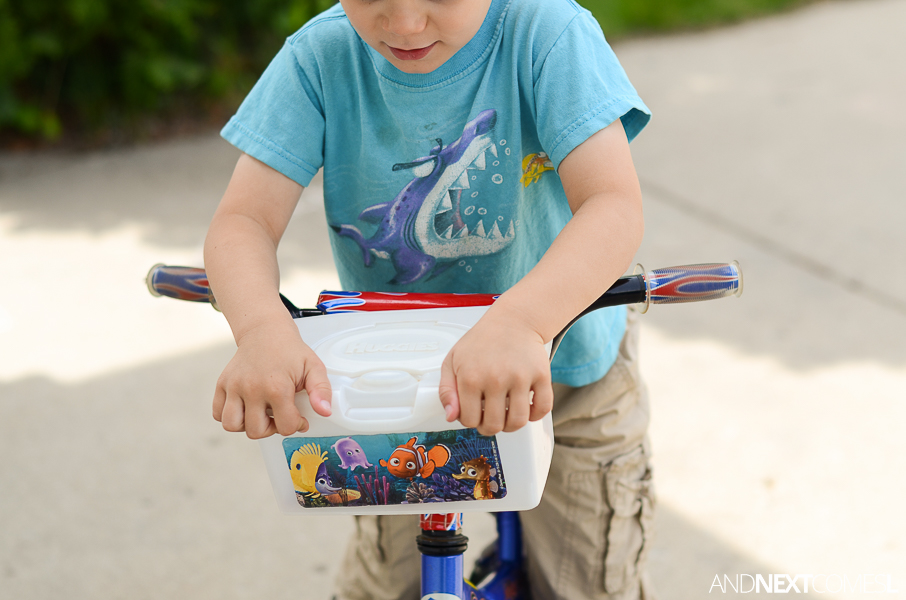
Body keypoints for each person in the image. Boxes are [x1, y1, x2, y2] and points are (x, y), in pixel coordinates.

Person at [203, 0, 655, 598]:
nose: (406, 24)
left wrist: (523, 322)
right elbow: (244, 219)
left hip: (565, 378)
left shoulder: (549, 34)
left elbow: (613, 204)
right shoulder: (320, 57)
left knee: (587, 583)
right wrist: (261, 329)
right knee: (384, 581)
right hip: (395, 392)